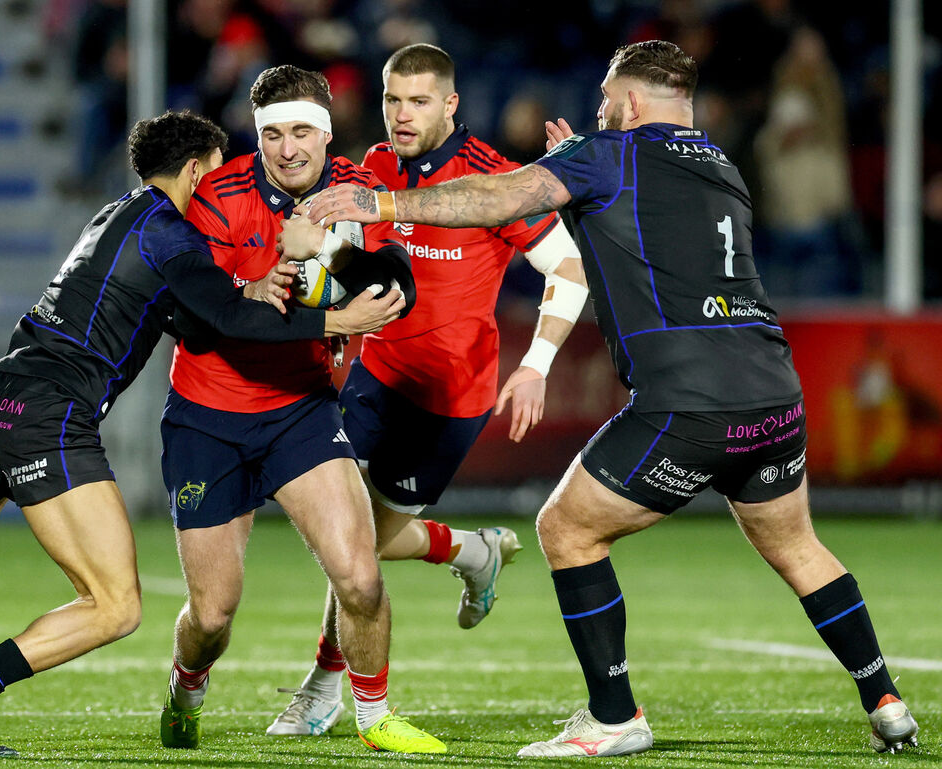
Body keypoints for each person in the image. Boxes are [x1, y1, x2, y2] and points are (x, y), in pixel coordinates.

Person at [305, 40, 918, 758]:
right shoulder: (722, 167)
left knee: (566, 529)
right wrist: (580, 169)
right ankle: (886, 701)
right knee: (798, 547)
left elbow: (499, 196)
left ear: (628, 104)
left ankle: (615, 715)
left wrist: (379, 200)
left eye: (603, 102)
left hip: (690, 401)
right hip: (774, 394)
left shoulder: (607, 153)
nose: (596, 114)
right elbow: (633, 225)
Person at [0, 109, 404, 757]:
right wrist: (333, 325)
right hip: (49, 418)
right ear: (199, 169)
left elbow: (200, 319)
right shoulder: (174, 236)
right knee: (115, 606)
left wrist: (253, 293)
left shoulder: (114, 218)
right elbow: (228, 320)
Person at [266, 43, 586, 738]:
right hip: (373, 377)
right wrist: (330, 277)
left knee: (364, 546)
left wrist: (536, 364)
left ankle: (469, 551)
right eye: (391, 100)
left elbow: (570, 271)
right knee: (344, 540)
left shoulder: (495, 181)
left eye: (417, 101)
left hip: (448, 402)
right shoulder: (372, 168)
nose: (401, 115)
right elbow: (358, 259)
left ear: (450, 104)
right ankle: (325, 687)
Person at [158, 64, 446, 755]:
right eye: (274, 135)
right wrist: (315, 316)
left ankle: (374, 719)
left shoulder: (353, 195)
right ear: (257, 138)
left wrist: (331, 252)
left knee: (361, 576)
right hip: (208, 417)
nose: (289, 150)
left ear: (326, 133)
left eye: (303, 133)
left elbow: (396, 286)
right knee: (213, 615)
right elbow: (197, 318)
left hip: (301, 413)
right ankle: (185, 686)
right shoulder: (217, 200)